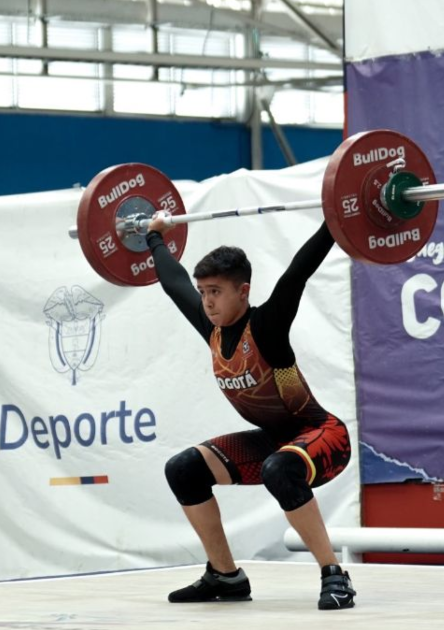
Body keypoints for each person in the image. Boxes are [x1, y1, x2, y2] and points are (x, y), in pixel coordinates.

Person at [145, 211, 356, 610]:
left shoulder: (266, 326)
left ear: (243, 291)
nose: (207, 301)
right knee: (183, 469)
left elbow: (299, 272)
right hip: (276, 443)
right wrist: (155, 237)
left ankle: (334, 575)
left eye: (216, 292)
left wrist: (337, 218)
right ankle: (226, 576)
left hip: (324, 436)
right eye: (204, 291)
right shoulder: (213, 330)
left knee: (280, 467)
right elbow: (173, 283)